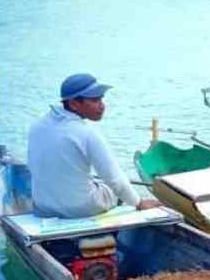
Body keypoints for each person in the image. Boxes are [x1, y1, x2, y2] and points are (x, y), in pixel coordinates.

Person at [26, 73, 160, 219]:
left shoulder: (36, 126)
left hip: (43, 207)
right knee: (114, 189)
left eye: (101, 99)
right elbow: (114, 178)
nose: (102, 105)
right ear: (74, 104)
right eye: (95, 100)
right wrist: (139, 203)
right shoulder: (87, 133)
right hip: (80, 209)